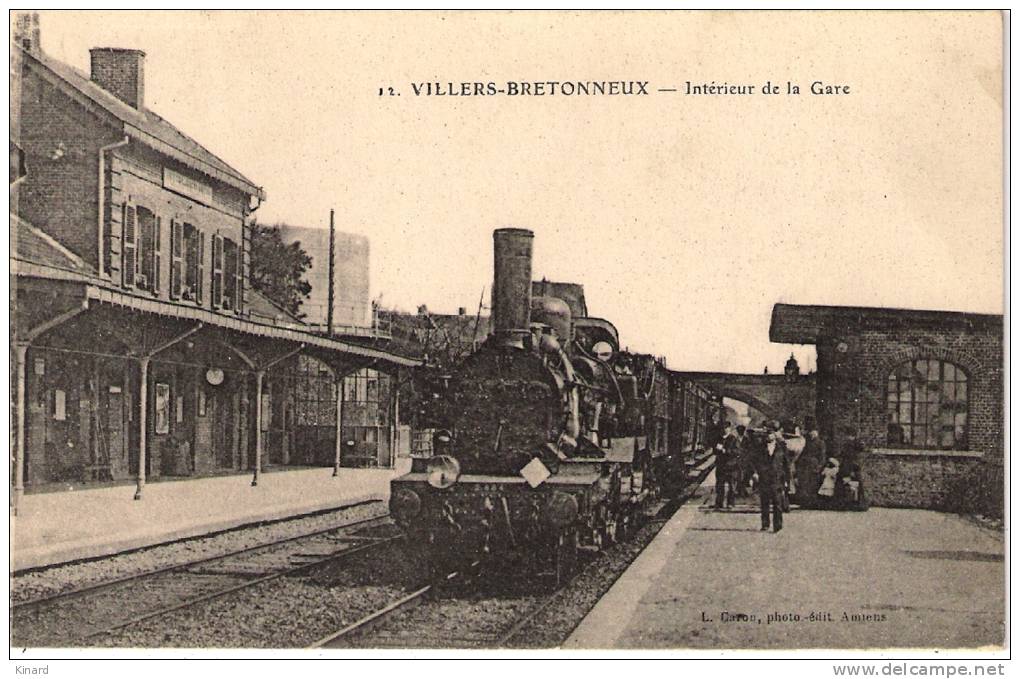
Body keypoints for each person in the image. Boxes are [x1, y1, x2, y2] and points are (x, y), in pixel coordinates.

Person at [754, 427, 789, 533]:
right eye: (767, 434)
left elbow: (786, 465)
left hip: (777, 479)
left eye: (771, 434)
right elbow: (755, 462)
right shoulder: (760, 448)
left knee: (777, 503)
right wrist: (755, 473)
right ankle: (765, 524)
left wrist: (787, 480)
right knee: (764, 503)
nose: (769, 436)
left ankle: (777, 526)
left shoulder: (782, 447)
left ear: (775, 435)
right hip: (764, 478)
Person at [795, 429, 826, 507]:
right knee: (806, 484)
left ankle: (813, 503)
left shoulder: (820, 443)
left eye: (813, 433)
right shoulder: (808, 443)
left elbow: (822, 456)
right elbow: (803, 453)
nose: (811, 435)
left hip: (814, 466)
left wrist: (819, 467)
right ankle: (806, 503)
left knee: (813, 484)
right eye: (810, 433)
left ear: (816, 434)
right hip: (806, 466)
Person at [714, 422, 739, 509]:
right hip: (720, 466)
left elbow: (737, 452)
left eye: (726, 428)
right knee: (719, 485)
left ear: (729, 429)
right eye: (723, 428)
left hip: (731, 466)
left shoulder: (733, 439)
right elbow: (714, 451)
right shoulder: (718, 438)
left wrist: (725, 451)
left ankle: (730, 503)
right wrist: (716, 450)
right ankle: (719, 503)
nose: (724, 430)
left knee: (732, 486)